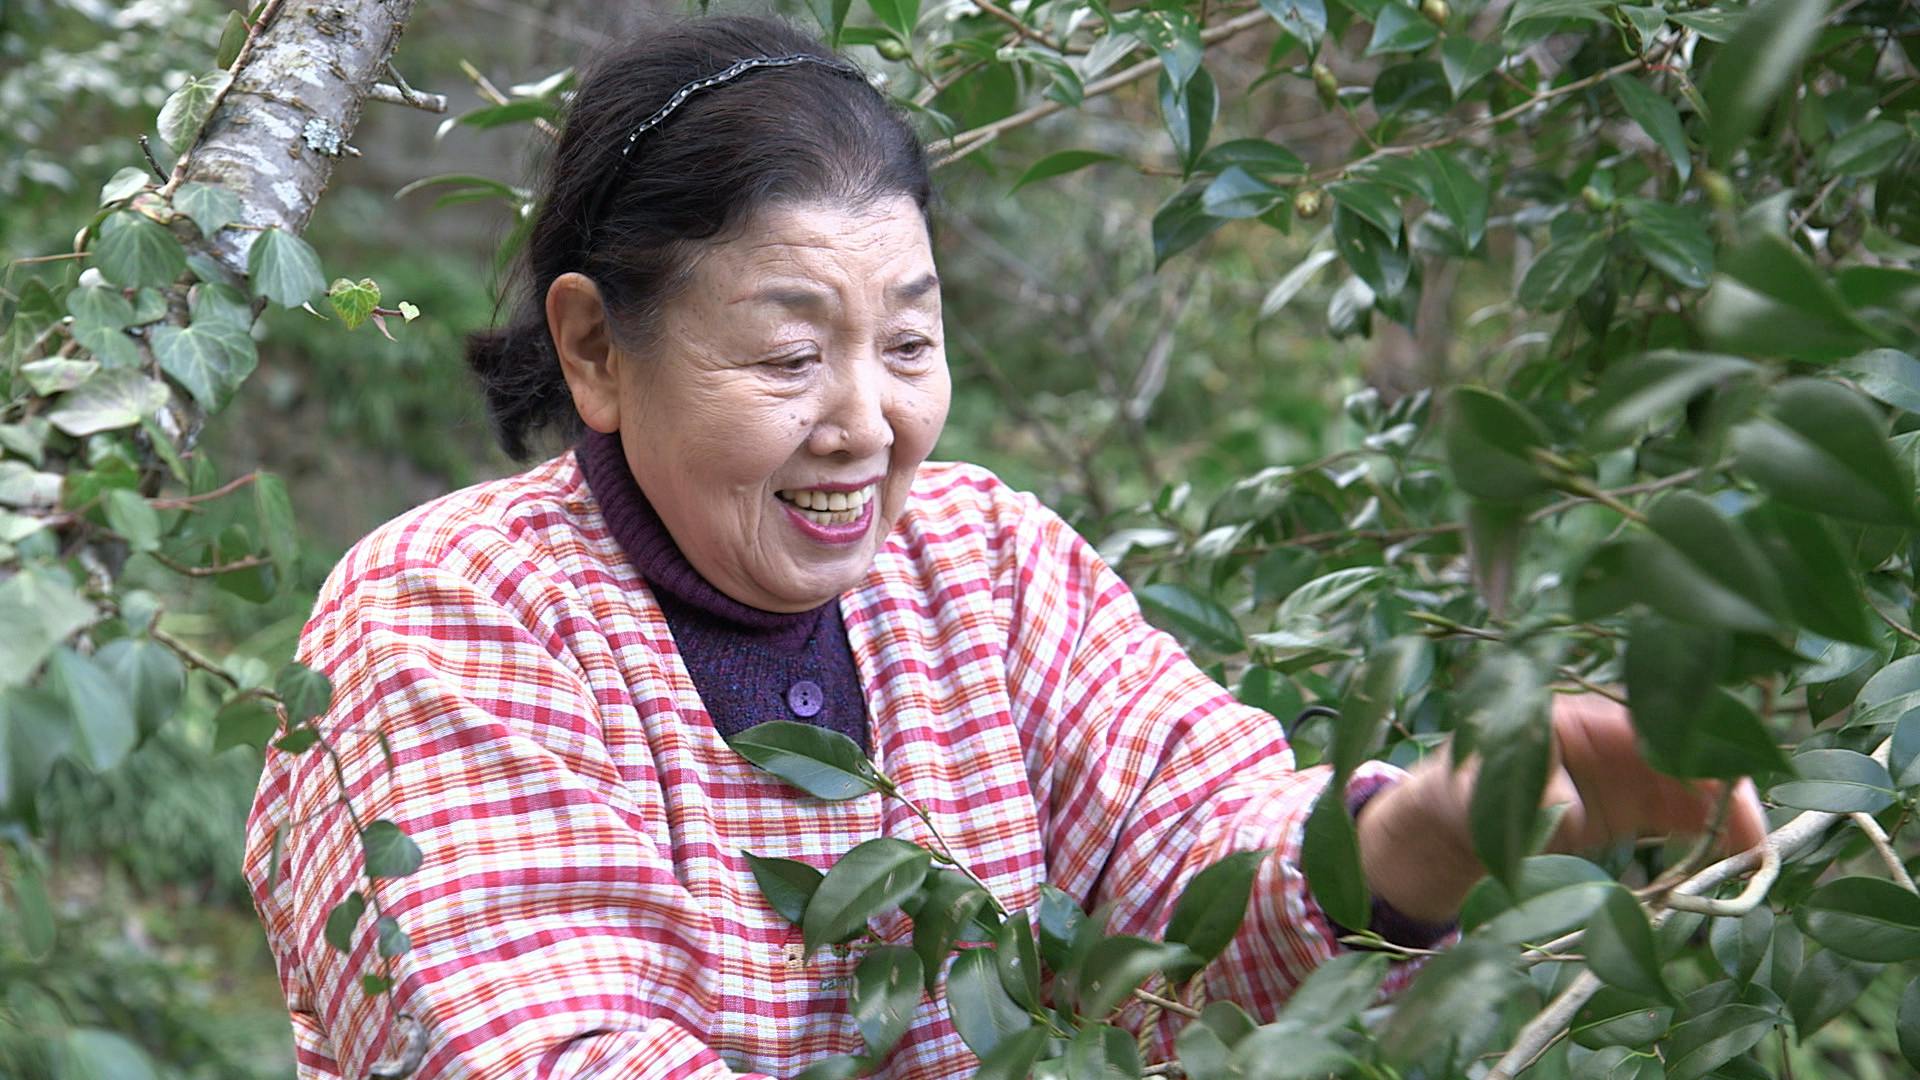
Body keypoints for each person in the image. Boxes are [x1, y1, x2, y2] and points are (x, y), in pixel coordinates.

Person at [242, 15, 1765, 1079]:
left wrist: (1426, 833)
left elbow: (1189, 851)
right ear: (594, 348)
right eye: (786, 359)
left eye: (908, 344)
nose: (864, 423)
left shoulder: (981, 564)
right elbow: (536, 1048)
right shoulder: (451, 618)